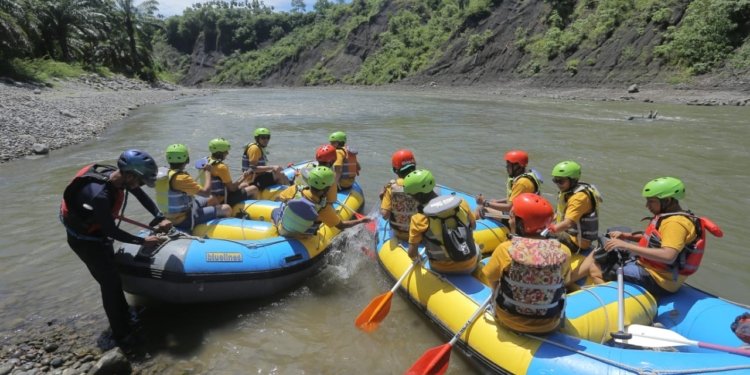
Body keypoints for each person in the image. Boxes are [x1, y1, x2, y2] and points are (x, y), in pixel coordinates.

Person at [60, 149, 172, 345]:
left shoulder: (120, 178)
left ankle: (125, 316)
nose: (141, 185)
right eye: (140, 180)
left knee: (113, 278)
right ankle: (122, 334)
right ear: (129, 175)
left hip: (98, 235)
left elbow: (140, 195)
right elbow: (112, 231)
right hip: (85, 242)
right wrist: (143, 241)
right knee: (110, 284)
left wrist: (159, 216)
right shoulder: (100, 195)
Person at [574, 177, 722, 296]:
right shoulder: (671, 216)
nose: (647, 205)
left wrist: (625, 245)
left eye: (651, 201)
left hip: (659, 279)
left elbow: (668, 255)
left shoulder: (675, 223)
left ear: (668, 201)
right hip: (653, 268)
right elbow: (656, 240)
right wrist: (627, 236)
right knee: (604, 247)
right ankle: (568, 282)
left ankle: (607, 299)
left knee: (596, 266)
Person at [480, 193, 571, 334]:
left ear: (520, 223)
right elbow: (565, 280)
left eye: (511, 217)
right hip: (549, 323)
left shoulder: (506, 248)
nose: (510, 221)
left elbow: (491, 279)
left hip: (509, 319)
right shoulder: (563, 251)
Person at [404, 169, 479, 274]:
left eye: (411, 195)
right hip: (470, 263)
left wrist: (418, 257)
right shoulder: (462, 203)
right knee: (477, 245)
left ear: (418, 195)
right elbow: (474, 226)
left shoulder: (419, 219)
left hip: (442, 268)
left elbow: (412, 253)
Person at [272, 166, 370, 237]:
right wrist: (361, 221)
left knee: (275, 211)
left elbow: (280, 198)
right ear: (327, 188)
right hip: (303, 235)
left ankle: (275, 231)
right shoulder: (323, 208)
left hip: (283, 229)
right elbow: (341, 225)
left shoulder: (296, 189)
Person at [156, 144, 232, 232]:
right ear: (187, 159)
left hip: (171, 215)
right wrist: (208, 172)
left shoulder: (164, 174)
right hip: (183, 219)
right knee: (226, 208)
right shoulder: (181, 178)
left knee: (212, 198)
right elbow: (206, 192)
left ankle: (211, 216)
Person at [545, 160, 602, 254]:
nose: (558, 184)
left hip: (577, 242)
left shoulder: (579, 198)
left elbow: (568, 224)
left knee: (541, 236)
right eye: (555, 180)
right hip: (568, 233)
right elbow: (558, 214)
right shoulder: (567, 192)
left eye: (561, 181)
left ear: (573, 180)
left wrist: (548, 230)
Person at [476, 150, 541, 220]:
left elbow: (509, 207)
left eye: (509, 165)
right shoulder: (526, 178)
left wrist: (485, 202)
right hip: (523, 215)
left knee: (481, 209)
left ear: (518, 166)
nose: (506, 167)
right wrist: (497, 201)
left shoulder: (521, 183)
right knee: (488, 205)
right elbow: (515, 198)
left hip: (516, 220)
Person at [380, 149, 419, 241]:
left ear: (395, 170)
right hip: (420, 232)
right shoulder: (423, 184)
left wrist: (382, 199)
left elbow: (385, 215)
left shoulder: (391, 188)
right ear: (414, 167)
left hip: (401, 234)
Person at [206, 137, 258, 206]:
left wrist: (243, 177)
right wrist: (243, 178)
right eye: (225, 151)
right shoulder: (221, 167)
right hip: (222, 200)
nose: (227, 153)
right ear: (219, 153)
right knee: (254, 189)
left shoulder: (205, 162)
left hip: (209, 198)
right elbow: (232, 189)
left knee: (245, 184)